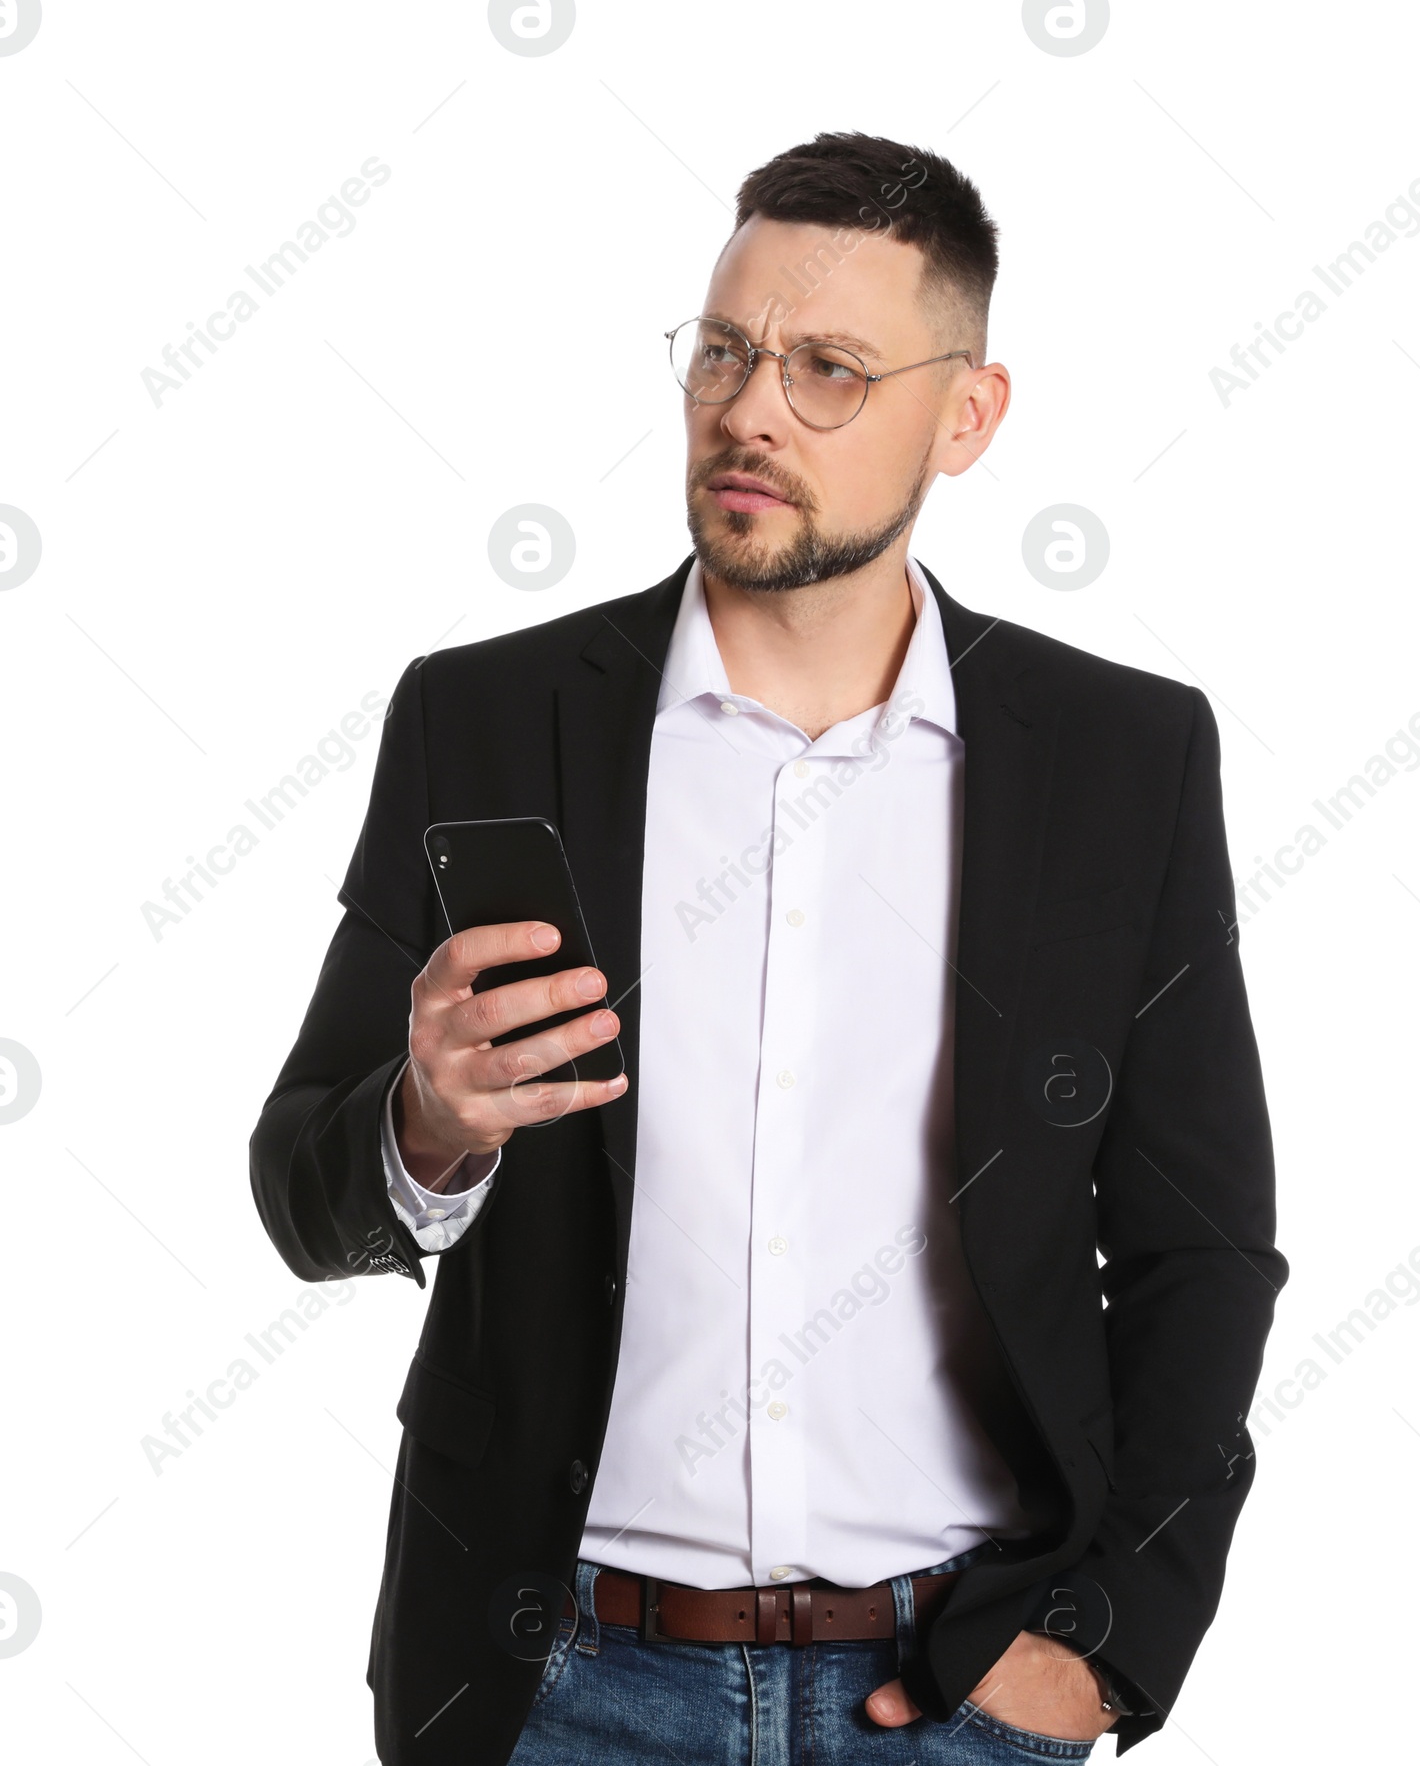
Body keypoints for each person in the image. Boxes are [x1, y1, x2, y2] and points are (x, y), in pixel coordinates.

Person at [249, 130, 1287, 1766]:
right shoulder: (488, 723)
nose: (749, 408)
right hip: (557, 1684)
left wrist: (1104, 1649)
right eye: (725, 352)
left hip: (957, 1691)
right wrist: (426, 1121)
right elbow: (301, 1187)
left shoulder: (1121, 757)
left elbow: (1200, 1252)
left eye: (827, 370)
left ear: (967, 415)